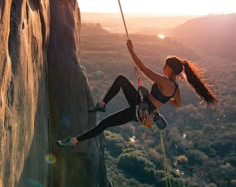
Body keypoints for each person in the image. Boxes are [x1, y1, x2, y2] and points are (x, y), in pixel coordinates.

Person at [56, 40, 218, 148]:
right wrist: (159, 104)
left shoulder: (164, 81)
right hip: (142, 106)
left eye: (165, 65)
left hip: (139, 109)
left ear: (170, 69)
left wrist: (131, 50)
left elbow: (143, 67)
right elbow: (178, 104)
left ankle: (74, 140)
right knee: (121, 80)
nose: (163, 67)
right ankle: (102, 105)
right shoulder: (175, 88)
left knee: (104, 124)